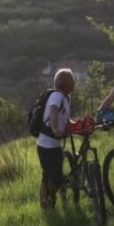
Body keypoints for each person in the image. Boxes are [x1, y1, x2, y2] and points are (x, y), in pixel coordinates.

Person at [37, 68, 76, 209]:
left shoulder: (66, 98)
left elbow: (64, 118)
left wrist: (75, 125)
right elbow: (53, 111)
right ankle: (46, 202)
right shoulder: (57, 96)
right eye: (73, 80)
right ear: (66, 84)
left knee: (50, 175)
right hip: (47, 144)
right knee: (55, 177)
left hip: (52, 144)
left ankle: (48, 204)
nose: (75, 83)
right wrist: (55, 129)